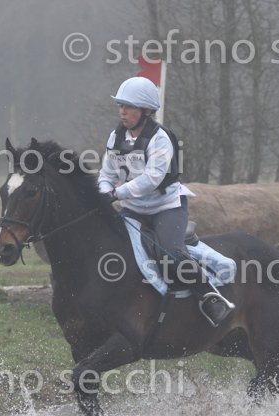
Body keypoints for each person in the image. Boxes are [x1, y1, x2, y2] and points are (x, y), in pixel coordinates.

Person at [97, 76, 235, 327]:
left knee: (170, 254)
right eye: (120, 105)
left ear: (147, 111)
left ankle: (210, 297)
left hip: (166, 208)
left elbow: (152, 179)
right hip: (133, 210)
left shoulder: (160, 138)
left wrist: (116, 194)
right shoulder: (115, 138)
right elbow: (106, 175)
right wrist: (103, 193)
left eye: (129, 107)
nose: (122, 111)